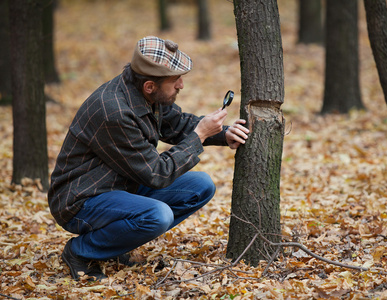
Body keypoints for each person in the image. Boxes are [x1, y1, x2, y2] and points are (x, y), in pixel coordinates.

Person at [47, 36, 249, 281]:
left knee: (200, 186)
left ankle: (114, 244)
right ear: (150, 86)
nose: (181, 85)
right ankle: (81, 252)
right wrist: (200, 135)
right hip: (80, 200)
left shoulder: (143, 93)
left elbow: (176, 124)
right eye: (175, 80)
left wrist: (224, 133)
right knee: (157, 216)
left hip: (121, 184)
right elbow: (157, 174)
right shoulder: (115, 112)